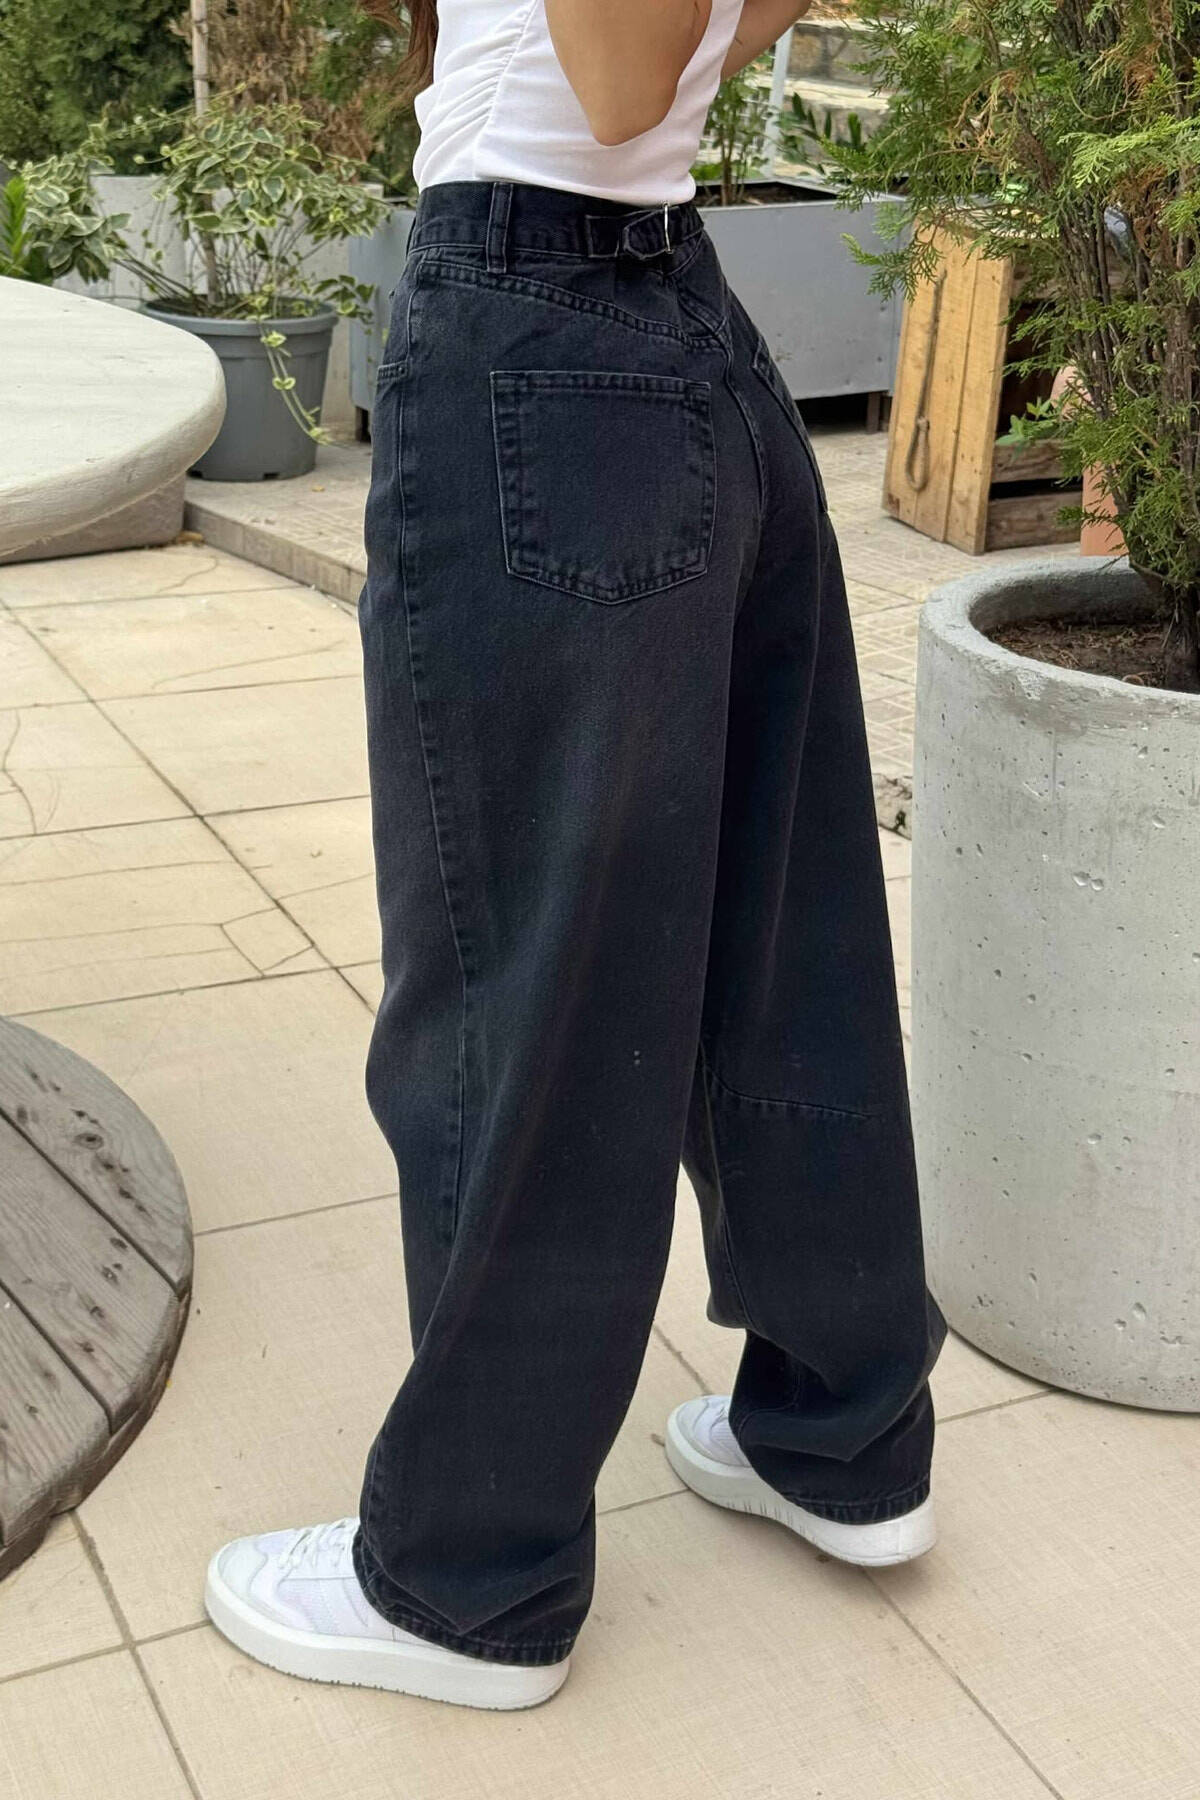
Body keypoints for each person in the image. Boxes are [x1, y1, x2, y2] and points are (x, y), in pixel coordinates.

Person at [203, 0, 946, 1711]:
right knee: (782, 932)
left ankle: (470, 1571)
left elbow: (610, 89)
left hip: (541, 311)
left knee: (520, 973)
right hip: (679, 317)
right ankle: (843, 1434)